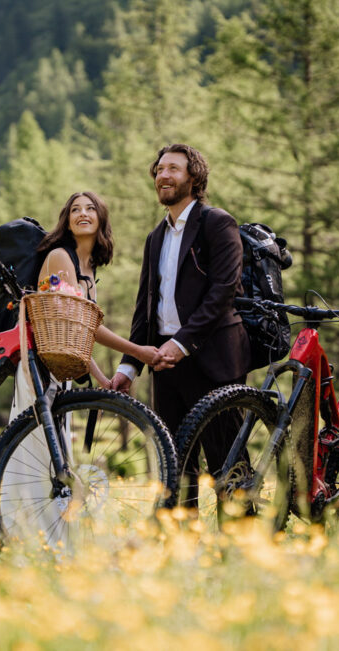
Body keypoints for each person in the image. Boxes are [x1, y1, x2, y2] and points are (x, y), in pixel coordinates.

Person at [111, 144, 250, 486]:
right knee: (174, 464)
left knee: (226, 462)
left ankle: (242, 537)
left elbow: (224, 292)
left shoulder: (217, 223)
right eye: (159, 170)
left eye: (173, 168)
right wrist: (129, 366)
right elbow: (145, 307)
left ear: (194, 176)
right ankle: (179, 538)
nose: (163, 176)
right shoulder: (155, 237)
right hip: (166, 365)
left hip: (213, 359)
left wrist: (182, 343)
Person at [10, 190, 159, 422]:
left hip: (59, 369)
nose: (83, 213)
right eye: (75, 209)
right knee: (36, 446)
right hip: (40, 368)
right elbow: (87, 328)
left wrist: (103, 381)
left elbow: (79, 335)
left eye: (90, 208)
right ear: (68, 223)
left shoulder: (88, 269)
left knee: (55, 449)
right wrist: (138, 351)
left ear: (101, 219)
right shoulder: (60, 257)